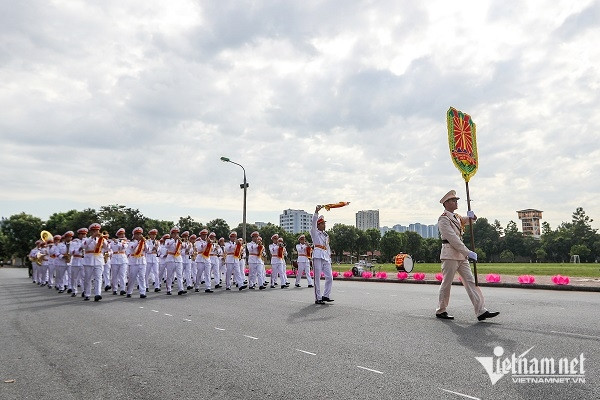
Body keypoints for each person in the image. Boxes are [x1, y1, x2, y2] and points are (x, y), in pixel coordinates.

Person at [435, 190, 499, 321]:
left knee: (471, 281)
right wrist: (468, 252)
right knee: (447, 283)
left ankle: (481, 310)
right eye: (453, 200)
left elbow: (466, 221)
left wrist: (472, 217)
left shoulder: (456, 217)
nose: (456, 202)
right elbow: (453, 239)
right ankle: (441, 310)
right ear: (446, 203)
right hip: (450, 254)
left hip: (461, 256)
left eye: (456, 200)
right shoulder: (443, 219)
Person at [311, 206, 333, 304]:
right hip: (317, 255)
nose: (324, 225)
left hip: (325, 256)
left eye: (324, 223)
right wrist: (316, 212)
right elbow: (313, 223)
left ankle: (326, 295)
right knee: (317, 278)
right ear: (318, 225)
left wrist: (329, 257)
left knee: (329, 277)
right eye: (323, 223)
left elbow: (327, 247)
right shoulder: (314, 232)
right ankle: (318, 298)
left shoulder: (326, 235)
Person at [82, 223, 110, 301]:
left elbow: (107, 248)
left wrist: (103, 240)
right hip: (89, 260)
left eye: (97, 230)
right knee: (88, 278)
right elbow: (83, 246)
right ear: (90, 231)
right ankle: (87, 294)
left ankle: (98, 294)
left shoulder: (102, 239)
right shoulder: (86, 239)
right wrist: (92, 237)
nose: (95, 232)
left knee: (98, 278)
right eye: (94, 231)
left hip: (99, 260)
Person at [126, 227, 147, 298]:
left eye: (140, 234)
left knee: (142, 277)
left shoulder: (143, 242)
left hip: (142, 261)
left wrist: (144, 242)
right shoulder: (131, 242)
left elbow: (147, 250)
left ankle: (142, 292)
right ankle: (129, 291)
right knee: (132, 277)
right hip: (134, 261)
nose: (139, 235)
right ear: (134, 235)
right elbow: (132, 248)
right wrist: (138, 242)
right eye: (137, 234)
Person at [110, 228, 129, 296]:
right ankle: (114, 289)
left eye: (123, 234)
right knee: (114, 276)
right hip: (114, 259)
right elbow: (108, 248)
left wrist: (117, 242)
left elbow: (124, 247)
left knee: (122, 275)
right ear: (118, 235)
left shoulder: (125, 242)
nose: (122, 235)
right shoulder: (112, 242)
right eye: (120, 234)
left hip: (123, 259)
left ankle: (122, 289)